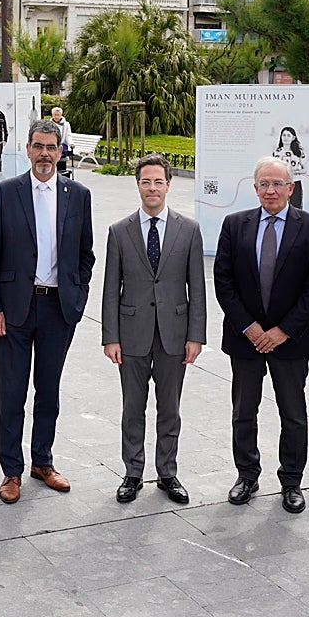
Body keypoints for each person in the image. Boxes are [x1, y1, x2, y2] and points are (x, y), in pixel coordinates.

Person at [0, 120, 94, 504]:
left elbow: (86, 255)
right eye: (38, 146)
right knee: (12, 392)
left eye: (52, 146)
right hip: (14, 309)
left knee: (48, 391)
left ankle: (42, 461)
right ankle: (11, 470)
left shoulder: (78, 195)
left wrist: (77, 298)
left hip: (58, 309)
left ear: (61, 151)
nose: (45, 153)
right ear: (27, 149)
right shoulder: (7, 192)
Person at [213, 157, 309, 514]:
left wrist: (282, 332)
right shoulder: (235, 225)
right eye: (264, 184)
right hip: (245, 338)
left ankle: (291, 481)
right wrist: (249, 328)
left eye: (278, 184)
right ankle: (246, 475)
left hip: (291, 341)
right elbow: (224, 281)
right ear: (255, 188)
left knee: (293, 413)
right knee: (243, 411)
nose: (270, 190)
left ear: (291, 188)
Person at [101, 155, 206, 505]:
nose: (152, 188)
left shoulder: (189, 230)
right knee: (133, 407)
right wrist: (110, 337)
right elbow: (110, 289)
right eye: (146, 181)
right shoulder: (119, 231)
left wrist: (196, 336)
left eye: (158, 181)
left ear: (168, 185)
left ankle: (167, 472)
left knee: (170, 408)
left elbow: (197, 289)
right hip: (131, 335)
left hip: (174, 335)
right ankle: (132, 473)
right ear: (137, 185)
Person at [272, 127, 306, 209]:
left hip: (295, 182)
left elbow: (305, 169)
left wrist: (294, 171)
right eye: (284, 135)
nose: (285, 138)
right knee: (279, 206)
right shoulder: (277, 152)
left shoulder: (299, 152)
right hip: (280, 183)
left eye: (288, 135)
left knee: (296, 207)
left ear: (293, 137)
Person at [50, 107, 74, 173]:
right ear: (52, 115)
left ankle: (62, 174)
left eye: (58, 115)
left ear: (61, 115)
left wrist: (71, 143)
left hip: (62, 145)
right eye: (55, 114)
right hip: (52, 145)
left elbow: (68, 135)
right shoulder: (49, 124)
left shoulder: (66, 124)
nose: (56, 116)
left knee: (62, 162)